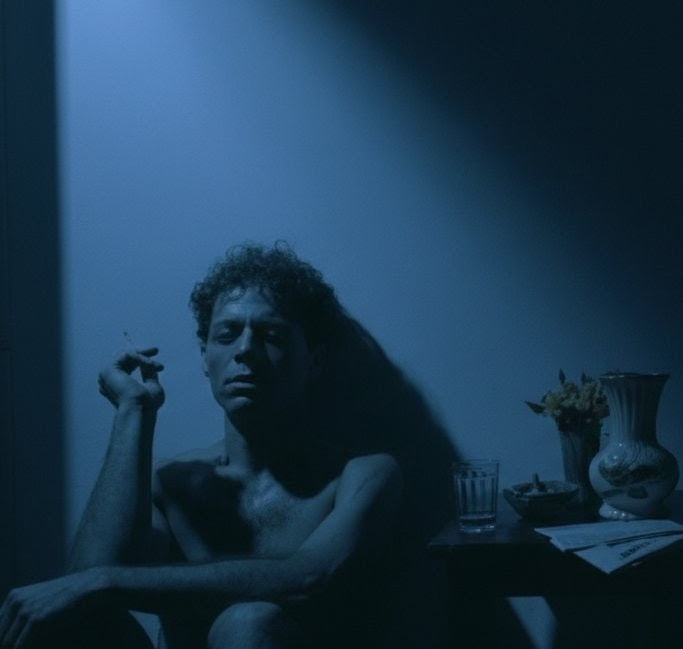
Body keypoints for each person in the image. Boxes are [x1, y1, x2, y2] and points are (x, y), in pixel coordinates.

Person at [0, 242, 403, 649]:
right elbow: (78, 597)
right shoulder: (171, 483)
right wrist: (133, 411)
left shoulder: (363, 474)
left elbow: (309, 577)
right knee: (68, 618)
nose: (245, 350)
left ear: (314, 360)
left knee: (247, 624)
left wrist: (104, 582)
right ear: (204, 357)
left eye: (271, 335)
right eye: (227, 334)